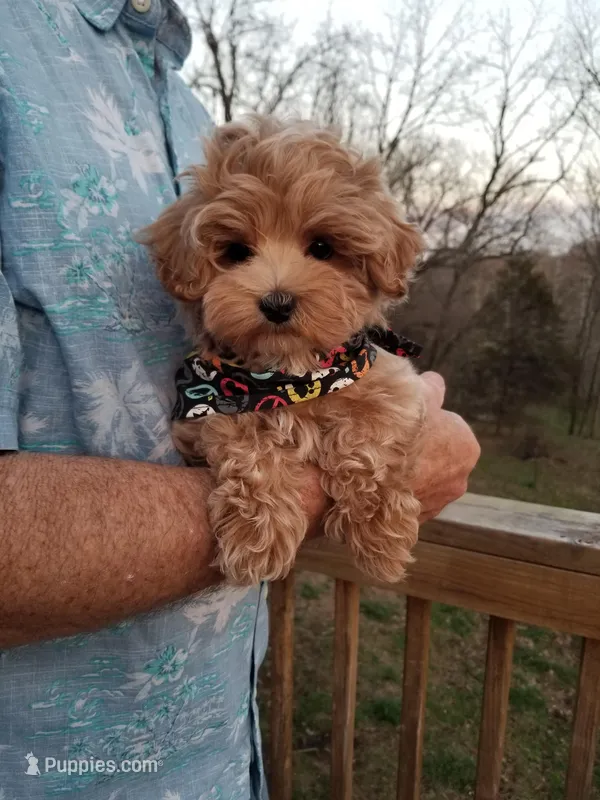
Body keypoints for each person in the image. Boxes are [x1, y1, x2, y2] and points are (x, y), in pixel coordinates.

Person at [0, 1, 480, 798]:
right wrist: (312, 484)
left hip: (223, 755)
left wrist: (372, 458)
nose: (279, 286)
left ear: (374, 266)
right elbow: (211, 427)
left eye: (322, 249)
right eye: (237, 251)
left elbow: (390, 399)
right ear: (196, 261)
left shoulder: (180, 99)